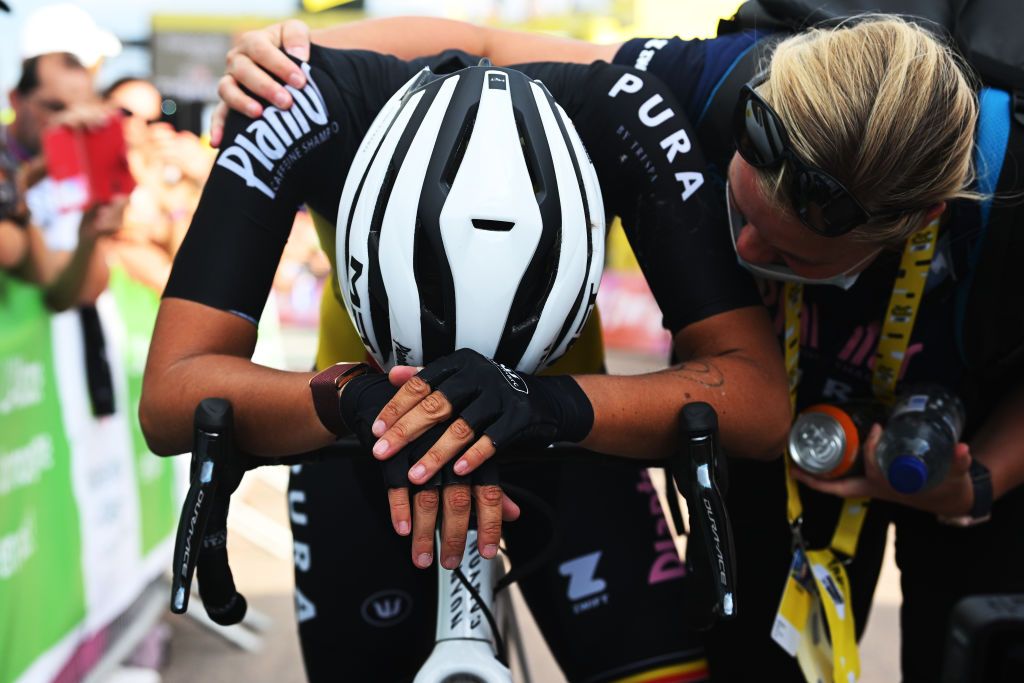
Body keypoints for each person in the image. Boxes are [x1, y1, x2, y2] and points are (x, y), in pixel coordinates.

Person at [217, 12, 1024, 683]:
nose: (740, 243)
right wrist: (288, 55)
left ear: (915, 226)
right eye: (735, 208)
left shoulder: (1011, 207)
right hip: (780, 427)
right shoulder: (718, 80)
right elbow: (492, 53)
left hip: (968, 423)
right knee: (749, 661)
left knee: (971, 640)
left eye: (785, 256)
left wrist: (981, 479)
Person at [140, 41, 793, 681]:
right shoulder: (302, 105)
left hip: (561, 431)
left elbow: (760, 402)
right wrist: (356, 400)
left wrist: (549, 404)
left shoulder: (620, 117)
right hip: (367, 434)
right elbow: (171, 396)